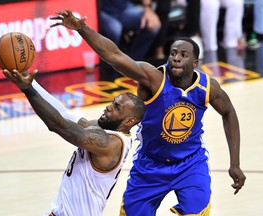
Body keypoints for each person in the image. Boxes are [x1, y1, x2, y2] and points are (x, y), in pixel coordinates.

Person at [50, 8, 246, 215]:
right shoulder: (152, 78)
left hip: (190, 163)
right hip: (150, 164)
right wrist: (82, 28)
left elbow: (229, 113)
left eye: (183, 55)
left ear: (195, 63)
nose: (176, 58)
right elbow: (115, 56)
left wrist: (235, 163)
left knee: (197, 210)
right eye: (173, 53)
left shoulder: (208, 87)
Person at [1, 69, 146, 216]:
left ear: (129, 121)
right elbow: (66, 115)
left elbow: (58, 125)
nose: (108, 107)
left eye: (116, 107)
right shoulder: (104, 130)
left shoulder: (109, 143)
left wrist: (28, 90)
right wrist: (31, 83)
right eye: (113, 103)